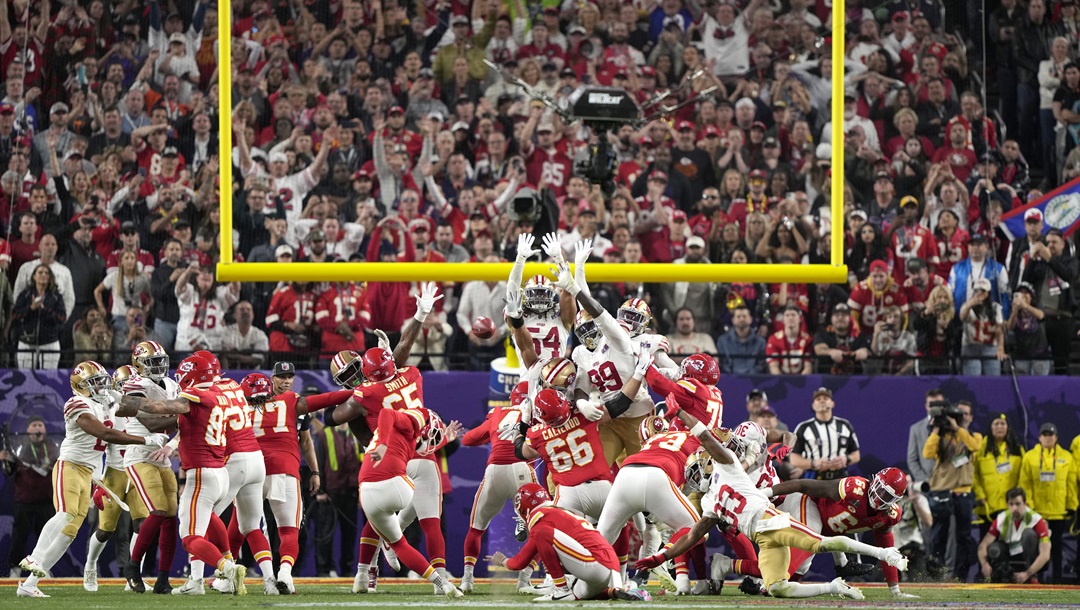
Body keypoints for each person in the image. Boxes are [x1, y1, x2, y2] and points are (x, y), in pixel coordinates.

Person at [635, 407, 908, 600]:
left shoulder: (729, 465)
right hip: (762, 532)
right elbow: (693, 534)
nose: (701, 473)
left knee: (816, 544)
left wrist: (680, 412)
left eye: (702, 466)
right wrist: (662, 556)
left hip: (775, 513)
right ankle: (833, 584)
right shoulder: (709, 499)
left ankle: (871, 558)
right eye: (696, 474)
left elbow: (708, 438)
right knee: (778, 587)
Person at [16, 362, 161, 598]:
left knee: (69, 534)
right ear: (79, 386)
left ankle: (29, 584)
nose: (101, 385)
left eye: (102, 380)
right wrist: (144, 441)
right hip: (70, 466)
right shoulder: (76, 403)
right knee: (65, 514)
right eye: (93, 382)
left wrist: (100, 479)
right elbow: (103, 434)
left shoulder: (107, 402)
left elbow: (128, 420)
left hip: (90, 473)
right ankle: (35, 556)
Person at [116, 353, 250, 597]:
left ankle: (227, 568)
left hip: (201, 473)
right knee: (196, 517)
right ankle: (200, 574)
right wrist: (171, 445)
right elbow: (179, 423)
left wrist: (118, 399)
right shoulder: (221, 393)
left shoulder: (195, 394)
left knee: (189, 537)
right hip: (218, 471)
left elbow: (156, 410)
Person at [239, 368, 352, 593]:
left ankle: (259, 576)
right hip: (285, 469)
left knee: (249, 528)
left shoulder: (239, 408)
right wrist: (356, 391)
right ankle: (285, 573)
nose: (286, 382)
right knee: (289, 529)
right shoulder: (291, 401)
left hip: (251, 470)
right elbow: (325, 400)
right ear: (271, 383)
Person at [764, 468, 919, 598]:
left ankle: (766, 585)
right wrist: (767, 493)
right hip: (808, 503)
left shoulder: (889, 516)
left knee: (802, 567)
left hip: (826, 529)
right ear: (874, 480)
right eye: (879, 488)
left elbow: (887, 549)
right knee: (808, 544)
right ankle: (768, 584)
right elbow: (803, 485)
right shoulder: (853, 488)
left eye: (887, 495)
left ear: (896, 500)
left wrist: (895, 589)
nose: (879, 496)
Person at [486, 484, 651, 602]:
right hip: (608, 567)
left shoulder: (542, 519)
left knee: (543, 533)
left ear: (525, 510)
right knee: (579, 594)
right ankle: (615, 592)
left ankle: (560, 589)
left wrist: (502, 561)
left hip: (595, 564)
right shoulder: (559, 512)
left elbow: (520, 562)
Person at [458, 382, 537, 593]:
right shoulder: (536, 410)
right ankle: (524, 579)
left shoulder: (498, 413)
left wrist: (492, 433)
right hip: (522, 470)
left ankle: (467, 579)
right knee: (543, 525)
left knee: (476, 528)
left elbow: (467, 439)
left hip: (495, 471)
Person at [119, 341, 181, 595]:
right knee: (156, 511)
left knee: (170, 518)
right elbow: (153, 424)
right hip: (139, 455)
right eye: (153, 362)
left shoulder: (172, 384)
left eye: (161, 361)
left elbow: (178, 427)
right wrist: (190, 415)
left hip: (161, 455)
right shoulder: (133, 386)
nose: (159, 366)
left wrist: (172, 444)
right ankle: (133, 567)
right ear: (139, 365)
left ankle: (163, 578)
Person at [922, 399, 981, 581]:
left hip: (963, 491)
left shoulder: (974, 436)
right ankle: (936, 575)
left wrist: (957, 429)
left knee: (963, 537)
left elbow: (975, 447)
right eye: (957, 414)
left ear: (970, 417)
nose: (959, 417)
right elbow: (927, 454)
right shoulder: (942, 437)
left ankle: (960, 576)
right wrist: (937, 430)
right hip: (942, 491)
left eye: (964, 414)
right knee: (939, 535)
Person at [1017, 422, 1078, 583]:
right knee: (1038, 547)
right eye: (1045, 435)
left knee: (1056, 548)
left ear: (1056, 437)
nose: (1048, 438)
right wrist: (1028, 506)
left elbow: (1071, 484)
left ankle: (1057, 580)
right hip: (1038, 512)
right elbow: (1025, 483)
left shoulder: (1067, 457)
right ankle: (1037, 579)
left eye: (1051, 435)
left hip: (1059, 511)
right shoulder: (1030, 457)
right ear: (1039, 438)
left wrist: (1072, 505)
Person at [1, 416, 58, 579]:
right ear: (27, 431)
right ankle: (15, 570)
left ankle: (44, 568)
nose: (37, 428)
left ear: (45, 430)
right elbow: (9, 472)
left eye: (40, 424)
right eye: (34, 425)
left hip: (47, 500)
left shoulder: (54, 447)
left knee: (46, 538)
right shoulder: (18, 448)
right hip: (24, 500)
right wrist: (5, 461)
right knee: (19, 537)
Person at [977, 487, 1051, 583]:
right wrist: (984, 564)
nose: (1014, 508)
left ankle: (1033, 577)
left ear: (1025, 504)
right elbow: (983, 545)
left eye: (1018, 504)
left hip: (1031, 557)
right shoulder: (1002, 518)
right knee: (993, 549)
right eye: (1011, 504)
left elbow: (1045, 555)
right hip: (1011, 552)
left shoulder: (1036, 520)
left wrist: (1028, 573)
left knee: (1029, 535)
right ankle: (1000, 576)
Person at [789, 388, 861, 481]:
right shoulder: (804, 427)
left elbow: (856, 454)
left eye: (826, 398)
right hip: (814, 477)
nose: (822, 401)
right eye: (818, 399)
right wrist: (814, 463)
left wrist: (846, 459)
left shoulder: (844, 425)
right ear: (813, 406)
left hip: (840, 477)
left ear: (832, 403)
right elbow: (793, 458)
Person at [973, 413, 1025, 536]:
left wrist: (1018, 498)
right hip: (987, 506)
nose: (1000, 427)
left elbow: (1024, 476)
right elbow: (973, 473)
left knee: (1011, 546)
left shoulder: (1017, 449)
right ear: (990, 427)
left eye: (1003, 424)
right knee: (987, 545)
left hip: (1011, 506)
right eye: (996, 424)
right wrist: (979, 494)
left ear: (1008, 427)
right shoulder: (980, 449)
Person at [10, 265, 67, 369]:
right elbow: (15, 315)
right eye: (40, 272)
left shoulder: (56, 296)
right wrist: (31, 308)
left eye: (46, 273)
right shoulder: (25, 294)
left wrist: (45, 309)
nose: (43, 275)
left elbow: (62, 318)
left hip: (49, 342)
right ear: (34, 277)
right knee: (26, 378)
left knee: (49, 379)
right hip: (26, 342)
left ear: (50, 277)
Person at [958, 277, 1005, 376]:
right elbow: (962, 316)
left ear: (987, 293)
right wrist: (970, 304)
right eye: (977, 291)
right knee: (973, 380)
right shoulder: (967, 306)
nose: (979, 294)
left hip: (990, 346)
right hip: (971, 346)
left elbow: (999, 329)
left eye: (982, 291)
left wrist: (1000, 347)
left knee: (993, 380)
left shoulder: (996, 307)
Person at [908, 388, 946, 495]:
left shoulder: (952, 427)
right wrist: (926, 481)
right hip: (928, 486)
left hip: (950, 485)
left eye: (938, 404)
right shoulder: (916, 429)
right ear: (926, 406)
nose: (935, 408)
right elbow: (912, 460)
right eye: (931, 404)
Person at [715, 304, 766, 374]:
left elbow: (761, 366)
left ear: (750, 319)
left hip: (754, 381)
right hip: (729, 380)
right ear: (733, 320)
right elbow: (722, 365)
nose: (741, 319)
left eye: (744, 316)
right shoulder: (722, 341)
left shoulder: (761, 342)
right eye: (738, 316)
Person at [765, 305, 813, 375]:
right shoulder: (774, 339)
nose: (790, 318)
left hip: (801, 381)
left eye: (793, 315)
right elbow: (774, 367)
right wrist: (782, 382)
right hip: (780, 381)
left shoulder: (807, 340)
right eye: (787, 315)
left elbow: (808, 367)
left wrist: (800, 382)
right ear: (783, 319)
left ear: (800, 319)